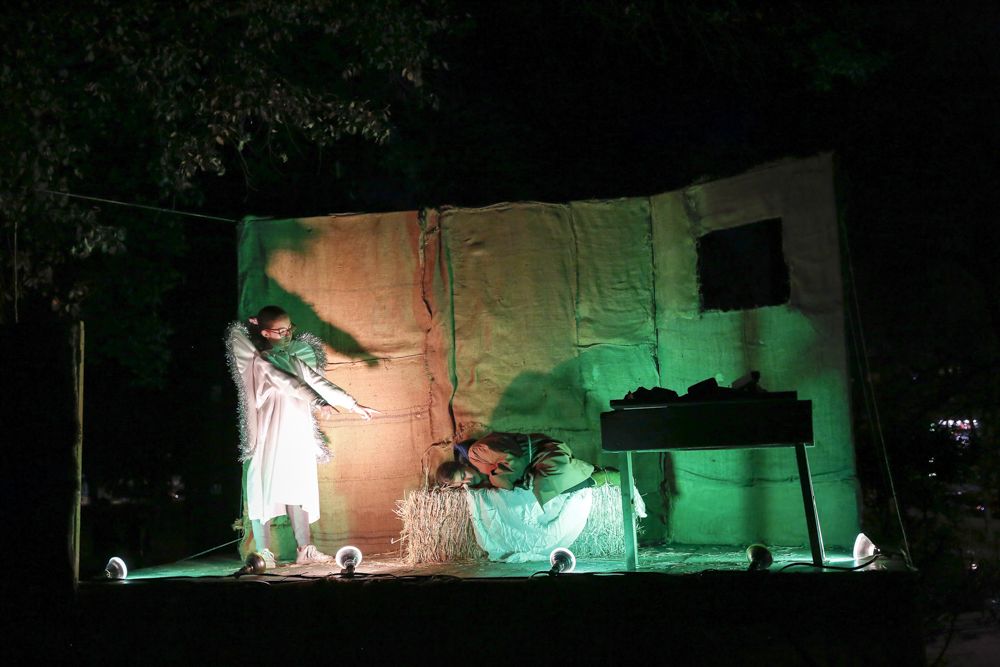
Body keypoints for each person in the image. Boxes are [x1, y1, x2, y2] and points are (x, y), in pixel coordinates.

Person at [226, 305, 378, 568]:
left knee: (298, 485)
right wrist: (318, 402)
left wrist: (352, 404)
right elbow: (289, 383)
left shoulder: (292, 357)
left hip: (295, 431)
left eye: (289, 329)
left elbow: (316, 381)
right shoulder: (262, 361)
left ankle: (304, 549)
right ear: (265, 332)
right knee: (265, 486)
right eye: (280, 330)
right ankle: (264, 552)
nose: (287, 334)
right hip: (271, 431)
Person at [436, 432, 594, 507]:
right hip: (536, 463)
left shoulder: (477, 452)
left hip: (543, 453)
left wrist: (496, 479)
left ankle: (601, 477)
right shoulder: (481, 472)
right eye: (462, 482)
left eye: (464, 474)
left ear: (463, 464)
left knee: (545, 487)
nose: (468, 480)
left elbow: (513, 460)